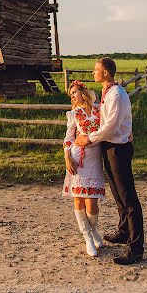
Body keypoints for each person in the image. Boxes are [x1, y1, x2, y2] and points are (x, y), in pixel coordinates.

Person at [75, 57, 144, 265]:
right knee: (117, 193)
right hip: (111, 146)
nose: (93, 73)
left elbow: (111, 128)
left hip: (119, 148)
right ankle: (123, 231)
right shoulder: (107, 93)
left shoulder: (115, 94)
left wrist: (89, 138)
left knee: (128, 197)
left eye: (96, 69)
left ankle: (136, 248)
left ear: (105, 73)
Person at [62, 80, 105, 258]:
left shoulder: (99, 110)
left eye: (74, 92)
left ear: (83, 92)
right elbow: (69, 137)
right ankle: (88, 237)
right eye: (71, 94)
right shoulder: (74, 114)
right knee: (79, 198)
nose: (73, 96)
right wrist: (67, 158)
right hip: (77, 157)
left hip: (94, 158)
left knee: (92, 201)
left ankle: (93, 230)